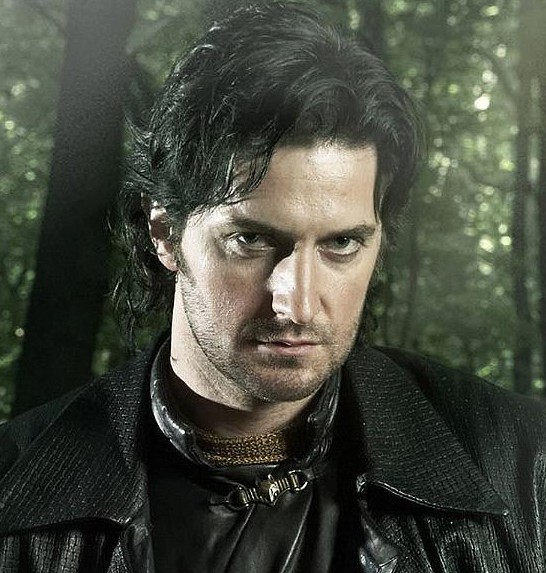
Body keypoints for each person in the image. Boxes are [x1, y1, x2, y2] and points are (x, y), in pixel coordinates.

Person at [0, 3, 544, 572]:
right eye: (252, 240)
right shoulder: (15, 487)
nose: (296, 303)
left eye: (341, 243)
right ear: (165, 232)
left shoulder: (527, 468)